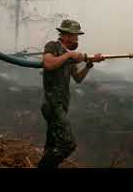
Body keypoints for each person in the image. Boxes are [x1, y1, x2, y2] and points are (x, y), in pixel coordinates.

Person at [38, 19, 104, 168]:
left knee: (51, 145)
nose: (77, 39)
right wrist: (70, 56)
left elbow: (78, 78)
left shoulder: (69, 55)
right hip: (52, 104)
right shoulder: (53, 46)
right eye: (75, 35)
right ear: (66, 35)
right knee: (68, 145)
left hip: (61, 104)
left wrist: (88, 64)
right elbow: (48, 64)